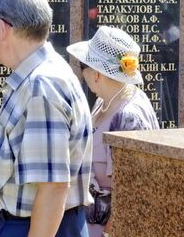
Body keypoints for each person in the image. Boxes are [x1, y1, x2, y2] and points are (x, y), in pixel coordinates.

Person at [0, 0, 93, 237]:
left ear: (2, 29)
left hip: (35, 228)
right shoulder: (40, 76)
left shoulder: (41, 85)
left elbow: (53, 187)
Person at [66, 26, 160, 237]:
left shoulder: (128, 115)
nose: (81, 74)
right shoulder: (104, 102)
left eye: (83, 66)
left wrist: (110, 233)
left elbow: (135, 187)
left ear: (97, 73)